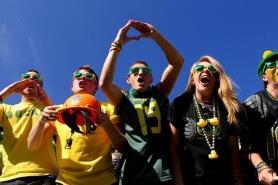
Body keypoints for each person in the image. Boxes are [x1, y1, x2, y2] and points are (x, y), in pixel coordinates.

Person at [99, 20, 184, 185]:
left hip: (161, 173)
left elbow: (177, 62)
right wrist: (117, 43)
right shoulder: (124, 100)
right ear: (128, 79)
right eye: (135, 71)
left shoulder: (159, 92)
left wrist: (155, 35)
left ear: (150, 78)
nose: (140, 74)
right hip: (132, 173)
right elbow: (104, 84)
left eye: (145, 72)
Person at [28, 65, 124, 185]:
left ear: (96, 87)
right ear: (71, 85)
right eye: (77, 76)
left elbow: (122, 146)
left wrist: (106, 124)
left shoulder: (108, 108)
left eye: (89, 77)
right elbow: (32, 146)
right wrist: (40, 121)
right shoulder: (57, 111)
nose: (82, 78)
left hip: (104, 181)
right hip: (65, 182)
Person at [168, 56, 246, 185]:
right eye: (199, 68)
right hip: (191, 179)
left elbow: (233, 147)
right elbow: (173, 147)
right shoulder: (180, 104)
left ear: (216, 79)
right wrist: (178, 180)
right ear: (192, 79)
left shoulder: (228, 107)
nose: (206, 71)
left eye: (211, 69)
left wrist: (237, 179)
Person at [0, 69, 57, 185]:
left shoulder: (47, 109)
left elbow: (60, 124)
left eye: (36, 79)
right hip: (8, 177)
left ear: (40, 87)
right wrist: (10, 90)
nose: (31, 80)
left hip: (43, 175)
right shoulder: (6, 109)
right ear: (20, 82)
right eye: (27, 77)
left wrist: (46, 102)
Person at [243, 50, 278, 185]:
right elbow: (244, 143)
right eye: (273, 64)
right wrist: (262, 168)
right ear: (264, 77)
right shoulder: (254, 103)